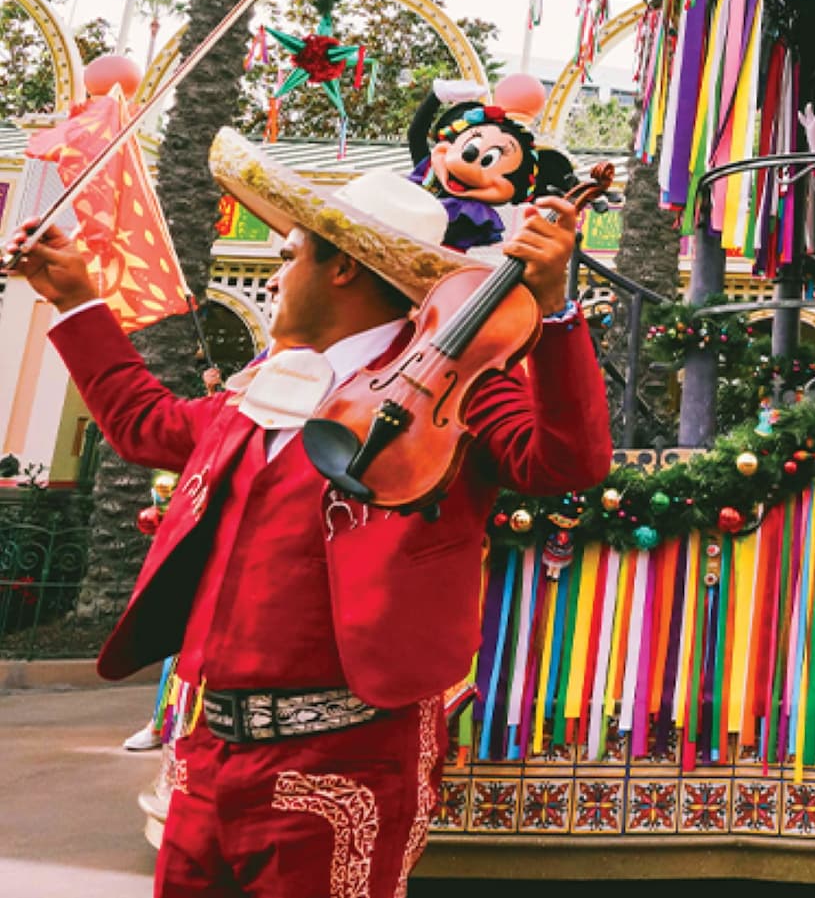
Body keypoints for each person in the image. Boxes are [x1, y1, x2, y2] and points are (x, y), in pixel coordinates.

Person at [3, 128, 612, 898]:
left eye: (289, 255)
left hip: (347, 757)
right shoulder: (261, 385)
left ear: (344, 267)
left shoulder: (450, 389)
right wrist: (75, 297)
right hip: (206, 749)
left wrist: (554, 315)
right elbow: (146, 426)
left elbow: (565, 463)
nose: (279, 271)